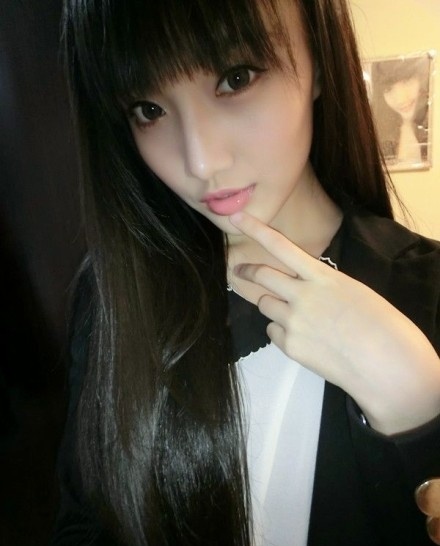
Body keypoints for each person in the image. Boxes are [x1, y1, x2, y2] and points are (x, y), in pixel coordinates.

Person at [51, 1, 440, 545]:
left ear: (319, 63)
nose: (201, 161)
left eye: (236, 78)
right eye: (149, 109)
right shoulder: (115, 293)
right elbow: (85, 522)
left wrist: (420, 409)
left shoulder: (428, 290)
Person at [370, 55, 431, 167]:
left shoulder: (432, 126)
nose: (401, 99)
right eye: (388, 89)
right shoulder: (378, 138)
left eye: (406, 81)